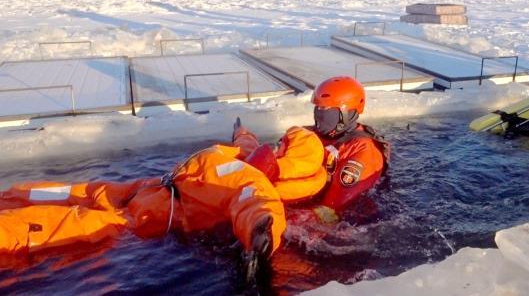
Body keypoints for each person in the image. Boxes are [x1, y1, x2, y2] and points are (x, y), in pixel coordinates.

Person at [0, 127, 326, 283]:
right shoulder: (247, 155)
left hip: (143, 216)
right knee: (58, 192)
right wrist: (241, 130)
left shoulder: (253, 181)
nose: (273, 146)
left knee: (56, 223)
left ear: (287, 159)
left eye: (281, 145)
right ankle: (10, 197)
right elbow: (247, 142)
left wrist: (260, 232)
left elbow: (256, 205)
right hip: (143, 189)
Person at [235, 76, 390, 223]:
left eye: (327, 109)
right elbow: (272, 161)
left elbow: (332, 210)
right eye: (318, 107)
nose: (320, 114)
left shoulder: (363, 150)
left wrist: (281, 222)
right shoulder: (307, 135)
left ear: (348, 112)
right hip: (287, 201)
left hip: (342, 219)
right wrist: (242, 136)